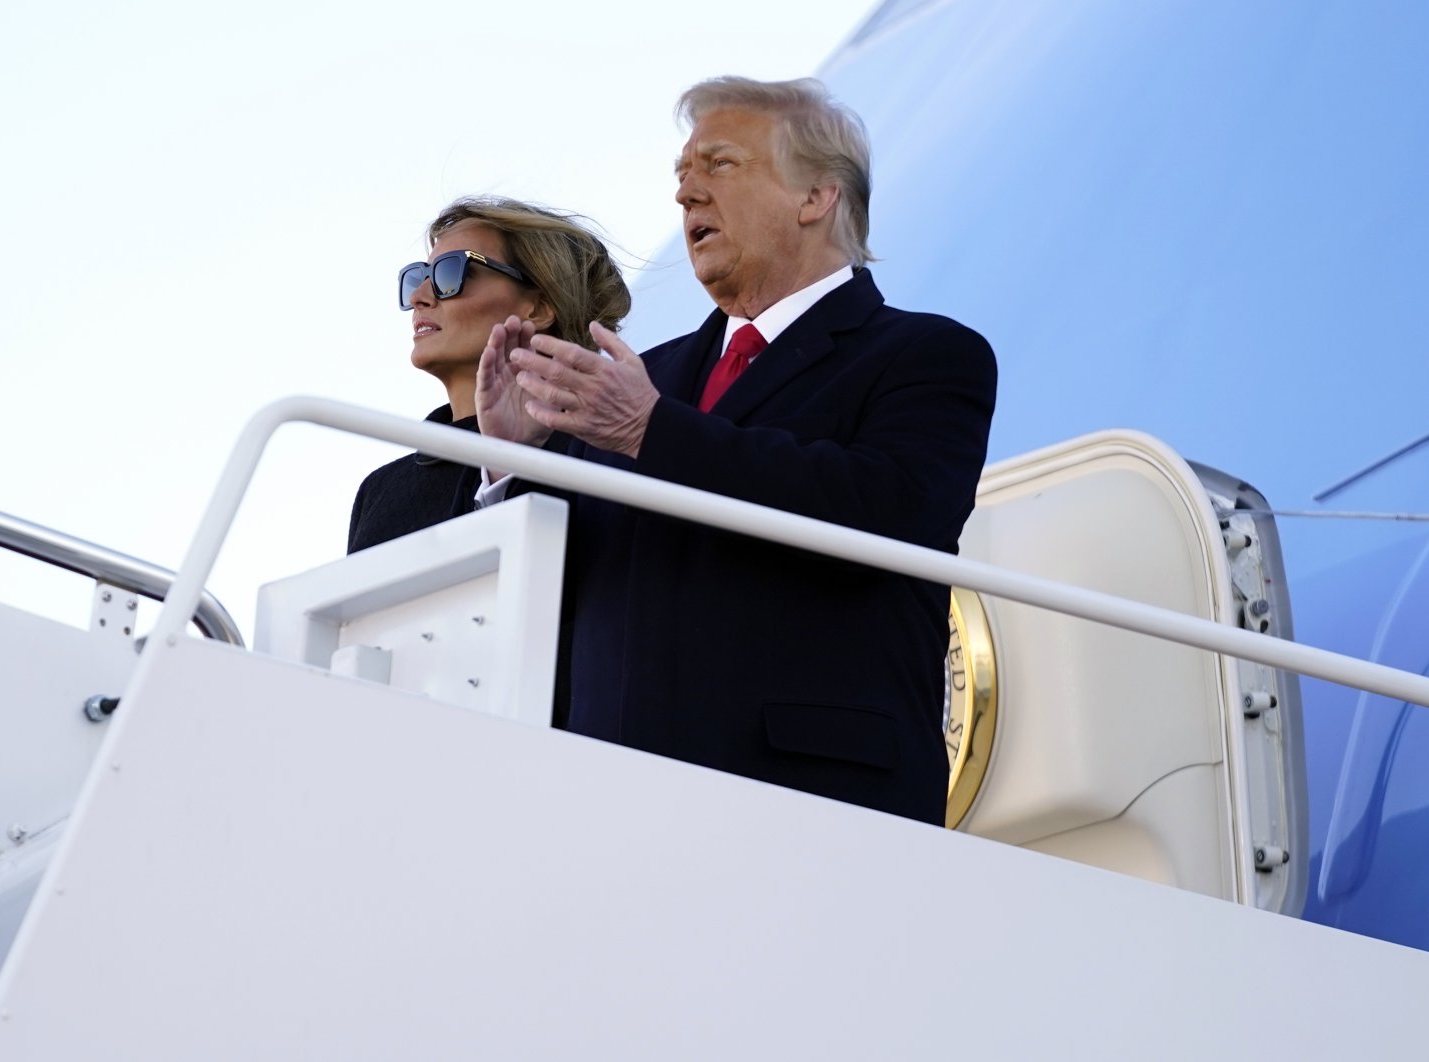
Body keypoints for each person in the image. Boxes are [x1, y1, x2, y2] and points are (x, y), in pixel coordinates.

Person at [476, 77, 997, 824]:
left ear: (816, 195)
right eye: (682, 178)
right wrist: (520, 464)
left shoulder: (928, 354)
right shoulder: (643, 377)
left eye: (718, 165)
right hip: (604, 801)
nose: (687, 196)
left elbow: (892, 512)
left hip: (813, 802)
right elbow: (576, 583)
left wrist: (650, 433)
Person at [347, 196, 630, 553]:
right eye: (418, 276)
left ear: (539, 308)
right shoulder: (381, 490)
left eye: (451, 273)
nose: (420, 296)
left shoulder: (599, 453)